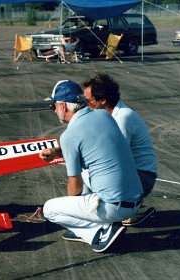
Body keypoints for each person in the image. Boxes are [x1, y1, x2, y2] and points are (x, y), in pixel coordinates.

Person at [40, 80, 143, 253]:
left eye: (53, 106)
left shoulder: (69, 136)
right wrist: (58, 152)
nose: (54, 110)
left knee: (49, 209)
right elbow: (91, 149)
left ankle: (97, 232)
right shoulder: (103, 115)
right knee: (91, 169)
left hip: (113, 208)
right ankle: (98, 224)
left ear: (63, 106)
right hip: (136, 200)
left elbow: (75, 187)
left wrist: (73, 211)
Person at [82, 73, 157, 226]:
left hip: (142, 178)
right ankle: (98, 212)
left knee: (84, 170)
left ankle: (97, 218)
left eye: (89, 101)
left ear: (103, 100)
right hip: (135, 175)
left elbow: (113, 155)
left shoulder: (123, 118)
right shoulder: (105, 114)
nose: (86, 105)